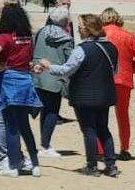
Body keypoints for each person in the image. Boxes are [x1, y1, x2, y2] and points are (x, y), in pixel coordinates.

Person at [36, 14, 120, 177]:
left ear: (87, 30)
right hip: (105, 95)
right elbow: (114, 71)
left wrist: (48, 66)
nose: (79, 29)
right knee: (103, 129)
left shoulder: (82, 50)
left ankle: (92, 166)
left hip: (84, 96)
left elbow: (66, 70)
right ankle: (110, 165)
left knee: (89, 130)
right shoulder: (112, 47)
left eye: (81, 26)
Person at [0, 2, 43, 176]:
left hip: (9, 81)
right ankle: (35, 164)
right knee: (24, 126)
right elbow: (29, 60)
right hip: (25, 81)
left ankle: (12, 165)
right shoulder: (27, 37)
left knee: (10, 125)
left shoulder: (4, 36)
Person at [99, 8, 135, 161]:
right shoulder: (128, 36)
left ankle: (100, 149)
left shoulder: (100, 35)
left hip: (102, 79)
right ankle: (124, 148)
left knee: (100, 114)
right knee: (122, 115)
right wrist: (130, 69)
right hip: (123, 80)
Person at [31, 5, 75, 156]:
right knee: (51, 112)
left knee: (43, 109)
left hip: (37, 75)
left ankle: (42, 144)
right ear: (65, 22)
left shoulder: (40, 32)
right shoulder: (67, 38)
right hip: (55, 77)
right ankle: (45, 145)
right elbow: (70, 60)